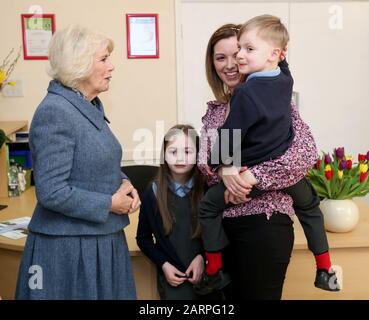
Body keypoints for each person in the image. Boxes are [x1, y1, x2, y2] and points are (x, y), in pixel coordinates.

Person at [196, 21, 338, 300]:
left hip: (264, 224)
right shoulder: (214, 112)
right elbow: (205, 167)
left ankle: (325, 267)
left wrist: (247, 178)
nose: (232, 62)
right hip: (225, 230)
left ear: (269, 53)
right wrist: (226, 172)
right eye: (220, 57)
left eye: (240, 50)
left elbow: (302, 156)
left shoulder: (275, 100)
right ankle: (324, 267)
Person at [15, 25, 139, 300]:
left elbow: (93, 162)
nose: (112, 66)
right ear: (80, 65)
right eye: (104, 59)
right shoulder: (55, 112)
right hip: (70, 249)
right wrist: (109, 203)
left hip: (97, 239)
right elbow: (51, 191)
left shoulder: (87, 106)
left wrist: (124, 182)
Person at [136, 125, 222, 300]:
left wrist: (203, 257)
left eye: (188, 151)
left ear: (198, 155)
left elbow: (220, 232)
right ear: (164, 155)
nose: (180, 158)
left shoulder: (209, 190)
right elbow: (143, 238)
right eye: (173, 152)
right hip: (173, 278)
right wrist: (164, 264)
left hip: (207, 276)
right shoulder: (152, 192)